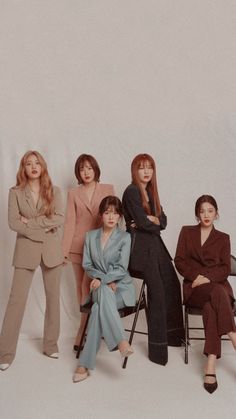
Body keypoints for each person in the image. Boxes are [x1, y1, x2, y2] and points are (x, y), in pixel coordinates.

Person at [0, 150, 64, 371]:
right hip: (26, 250)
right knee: (16, 300)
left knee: (53, 299)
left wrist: (31, 223)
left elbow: (60, 217)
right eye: (29, 163)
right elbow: (13, 223)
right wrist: (43, 226)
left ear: (43, 166)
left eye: (37, 162)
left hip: (52, 251)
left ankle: (50, 345)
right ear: (23, 169)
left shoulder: (54, 191)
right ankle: (5, 353)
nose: (34, 166)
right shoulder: (15, 192)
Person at [122, 153, 184, 366]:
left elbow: (163, 221)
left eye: (150, 167)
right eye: (142, 167)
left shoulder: (150, 191)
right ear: (135, 170)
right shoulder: (131, 191)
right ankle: (157, 352)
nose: (146, 171)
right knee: (156, 292)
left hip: (156, 247)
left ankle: (174, 338)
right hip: (140, 250)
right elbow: (141, 222)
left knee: (172, 284)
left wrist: (153, 220)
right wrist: (149, 221)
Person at [174, 194, 236, 393]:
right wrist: (198, 277)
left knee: (212, 306)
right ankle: (233, 334)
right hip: (194, 288)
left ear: (216, 213)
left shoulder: (223, 238)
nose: (206, 215)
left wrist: (207, 277)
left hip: (217, 287)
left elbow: (226, 268)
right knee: (216, 293)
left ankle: (210, 362)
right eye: (202, 211)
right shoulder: (186, 232)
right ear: (197, 214)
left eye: (210, 210)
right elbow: (179, 261)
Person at [73, 195, 135, 383]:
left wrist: (104, 279)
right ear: (101, 215)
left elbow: (122, 268)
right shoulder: (91, 237)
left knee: (97, 308)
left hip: (121, 288)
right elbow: (87, 264)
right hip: (100, 287)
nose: (111, 217)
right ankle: (121, 340)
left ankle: (84, 364)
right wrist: (101, 279)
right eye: (107, 212)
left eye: (115, 214)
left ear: (120, 217)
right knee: (101, 297)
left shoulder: (125, 237)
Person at [62, 154, 114, 351]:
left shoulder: (108, 189)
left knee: (95, 286)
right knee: (81, 288)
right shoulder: (73, 193)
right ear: (78, 172)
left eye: (89, 168)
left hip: (101, 247)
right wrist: (63, 252)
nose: (86, 172)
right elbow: (69, 223)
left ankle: (97, 327)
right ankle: (83, 327)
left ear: (96, 170)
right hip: (78, 247)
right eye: (82, 169)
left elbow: (114, 217)